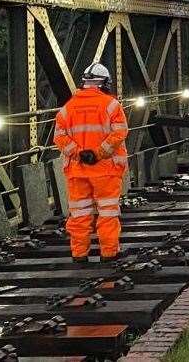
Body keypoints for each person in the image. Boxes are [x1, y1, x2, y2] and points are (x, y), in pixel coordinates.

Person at [53, 63, 129, 263]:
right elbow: (119, 132)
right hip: (106, 170)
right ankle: (109, 253)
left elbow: (59, 137)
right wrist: (99, 153)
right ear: (104, 83)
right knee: (107, 213)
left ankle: (79, 255)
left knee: (79, 215)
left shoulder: (67, 109)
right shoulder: (111, 105)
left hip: (77, 172)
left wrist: (79, 154)